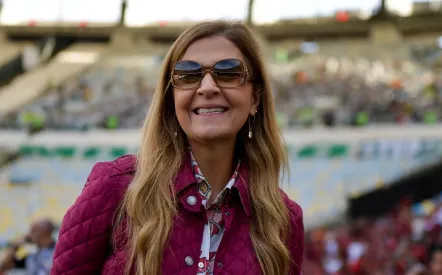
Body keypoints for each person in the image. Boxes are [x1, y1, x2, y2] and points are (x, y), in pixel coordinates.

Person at [51, 20, 304, 275]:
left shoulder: (283, 221)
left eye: (229, 72)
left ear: (255, 98)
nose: (207, 87)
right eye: (188, 75)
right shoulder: (114, 188)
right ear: (171, 98)